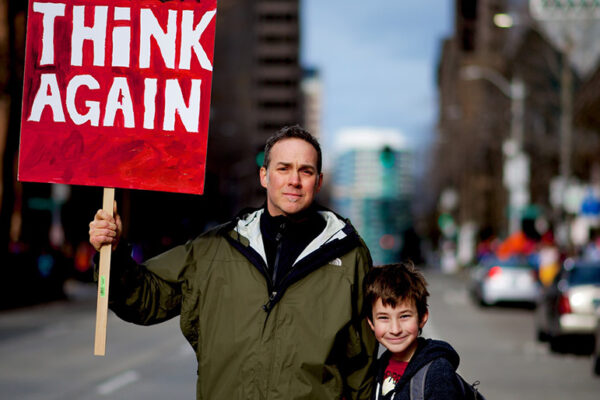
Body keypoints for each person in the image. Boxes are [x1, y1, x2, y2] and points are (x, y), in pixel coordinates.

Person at [89, 125, 376, 400]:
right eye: (283, 168)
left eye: (306, 171)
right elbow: (143, 299)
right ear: (264, 176)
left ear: (319, 181)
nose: (294, 180)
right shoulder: (213, 249)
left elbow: (362, 365)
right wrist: (113, 253)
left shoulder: (350, 255)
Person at [364, 263, 463, 400]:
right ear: (371, 322)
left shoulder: (438, 372)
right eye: (383, 318)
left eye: (404, 316)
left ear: (422, 317)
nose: (395, 329)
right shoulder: (376, 369)